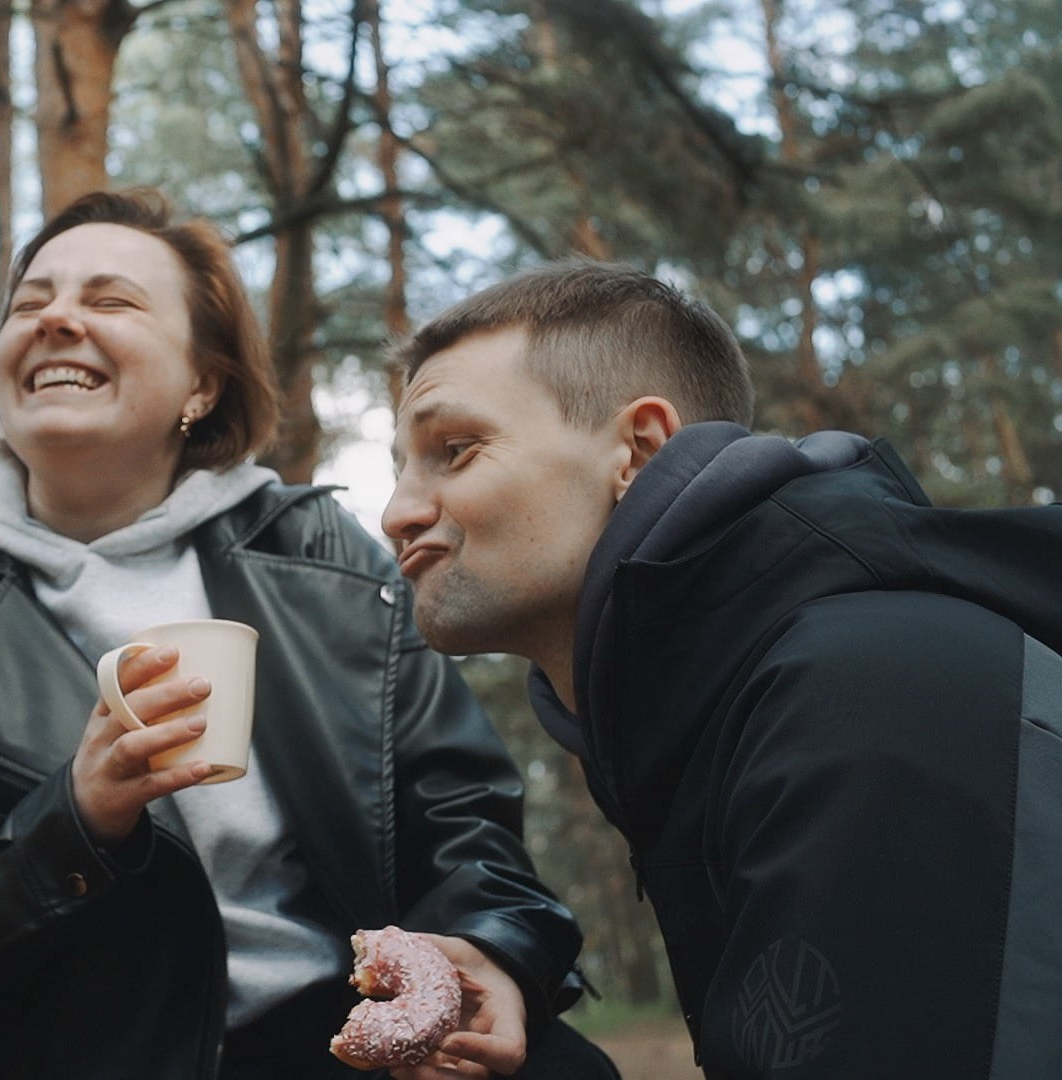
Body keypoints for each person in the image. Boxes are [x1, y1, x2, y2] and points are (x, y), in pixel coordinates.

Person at [0, 189, 618, 1080]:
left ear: (202, 382)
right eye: (31, 302)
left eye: (109, 300)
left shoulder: (315, 549)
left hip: (335, 1037)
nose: (57, 318)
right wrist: (74, 820)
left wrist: (486, 949)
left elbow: (461, 819)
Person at [379, 259, 1062, 1078]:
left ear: (638, 448)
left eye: (454, 450)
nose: (396, 514)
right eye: (399, 468)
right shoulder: (710, 705)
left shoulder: (863, 695)